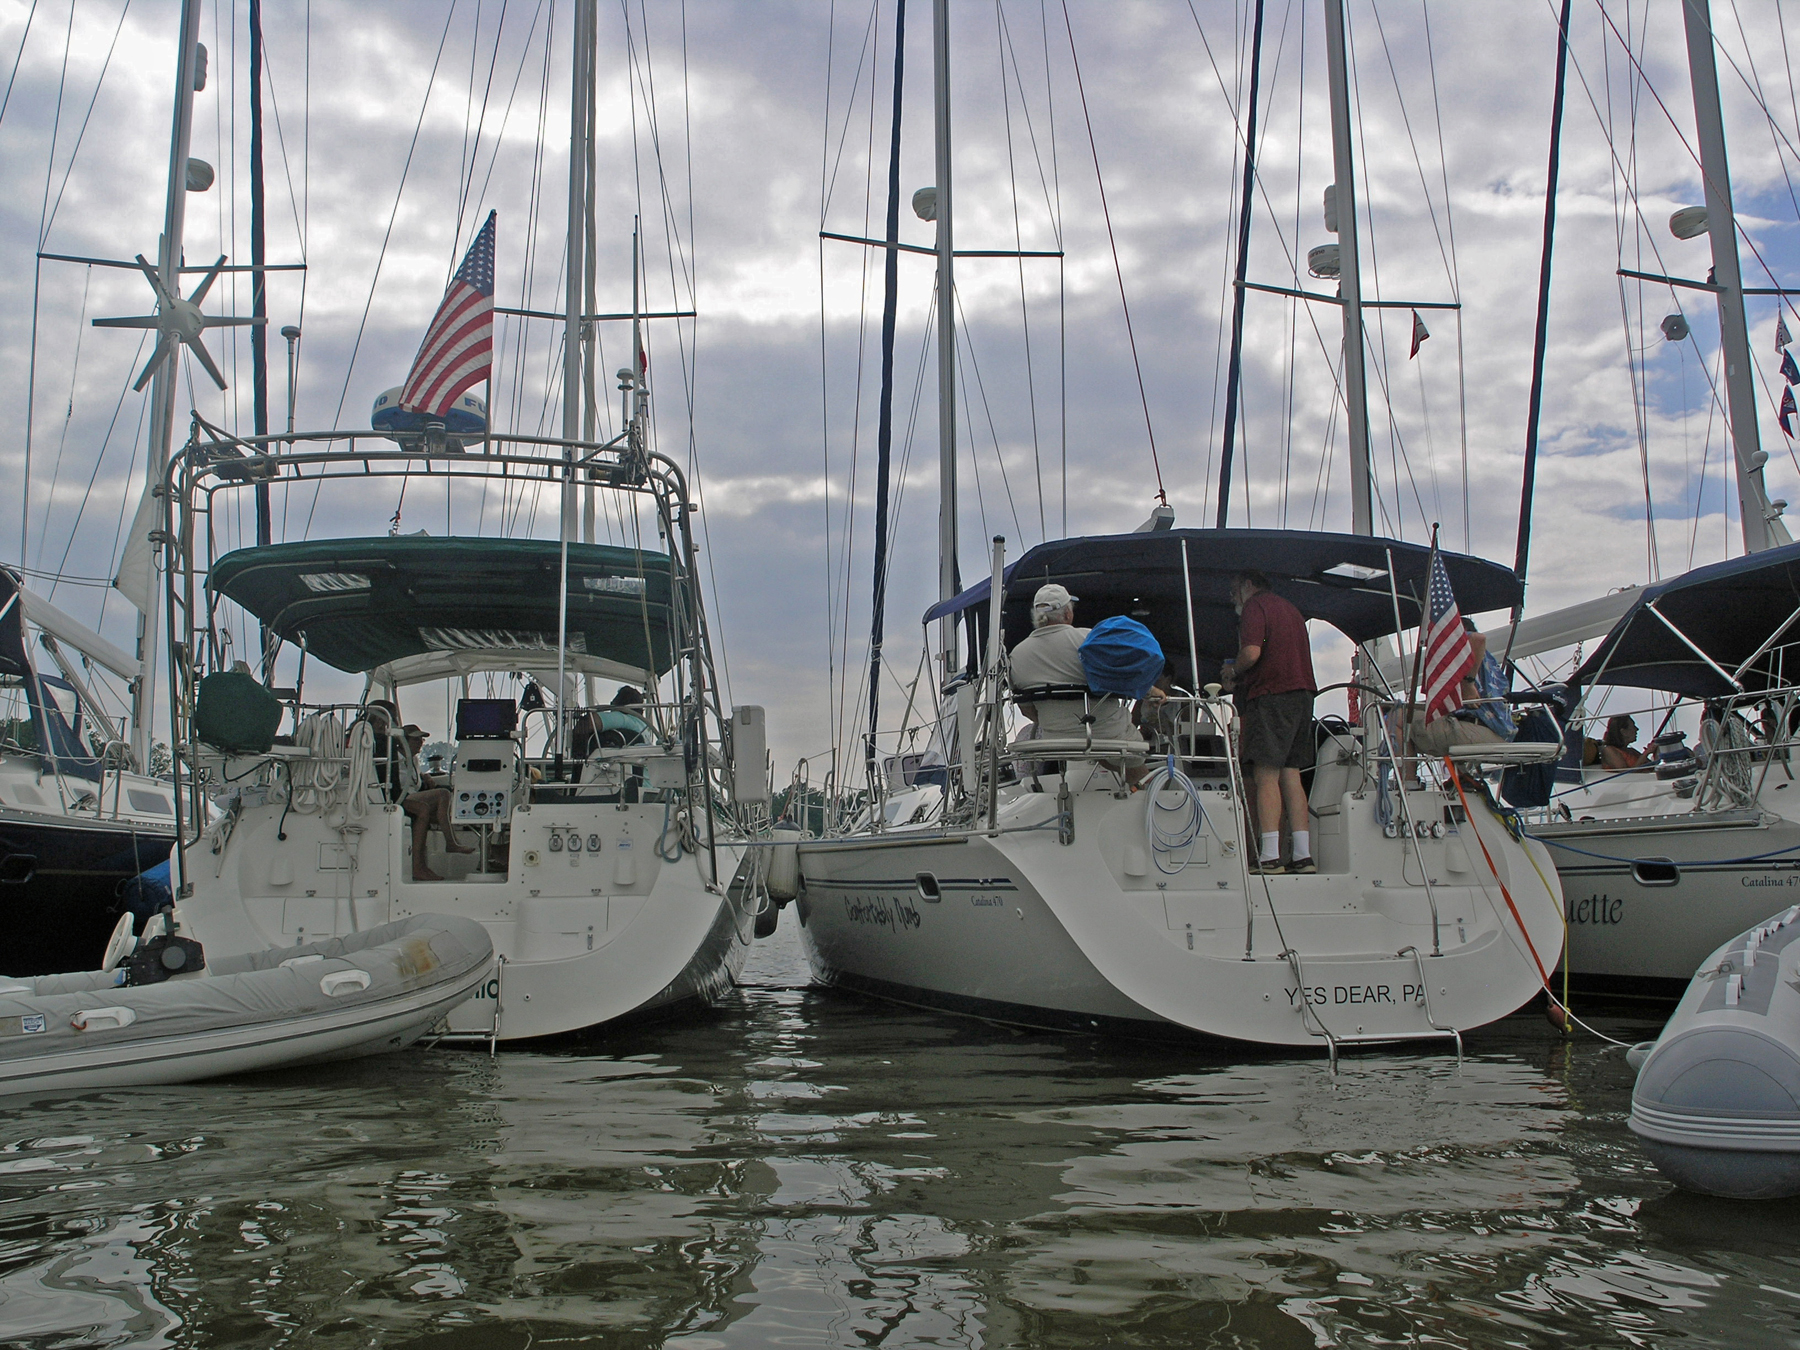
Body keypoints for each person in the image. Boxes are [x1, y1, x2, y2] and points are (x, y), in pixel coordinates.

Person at [1222, 571, 1317, 875]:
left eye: (1234, 590)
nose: (1232, 598)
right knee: (1291, 773)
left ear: (1248, 584)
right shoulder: (1292, 610)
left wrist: (1233, 673)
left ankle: (1270, 856)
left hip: (1272, 695)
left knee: (1265, 774)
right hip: (1303, 695)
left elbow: (1252, 651)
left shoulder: (1255, 607)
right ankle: (1303, 856)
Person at [1008, 584, 1136, 743]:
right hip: (1105, 732)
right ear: (1068, 613)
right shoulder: (1090, 640)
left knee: (1094, 748)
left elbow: (1027, 709)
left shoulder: (1017, 654)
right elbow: (1125, 676)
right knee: (1135, 749)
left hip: (1053, 738)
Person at [1404, 619, 1515, 757]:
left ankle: (1408, 778)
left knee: (1398, 719)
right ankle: (1463, 778)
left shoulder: (1462, 649)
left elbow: (1478, 638)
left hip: (1474, 730)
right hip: (1497, 734)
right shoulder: (1491, 666)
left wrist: (1468, 684)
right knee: (1413, 718)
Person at [397, 723, 477, 882]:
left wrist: (424, 776)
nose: (420, 743)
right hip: (402, 798)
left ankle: (425, 863)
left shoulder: (413, 759)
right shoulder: (395, 758)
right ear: (404, 741)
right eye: (416, 740)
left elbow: (414, 780)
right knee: (443, 794)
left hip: (413, 795)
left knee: (445, 804)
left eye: (421, 740)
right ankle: (450, 843)